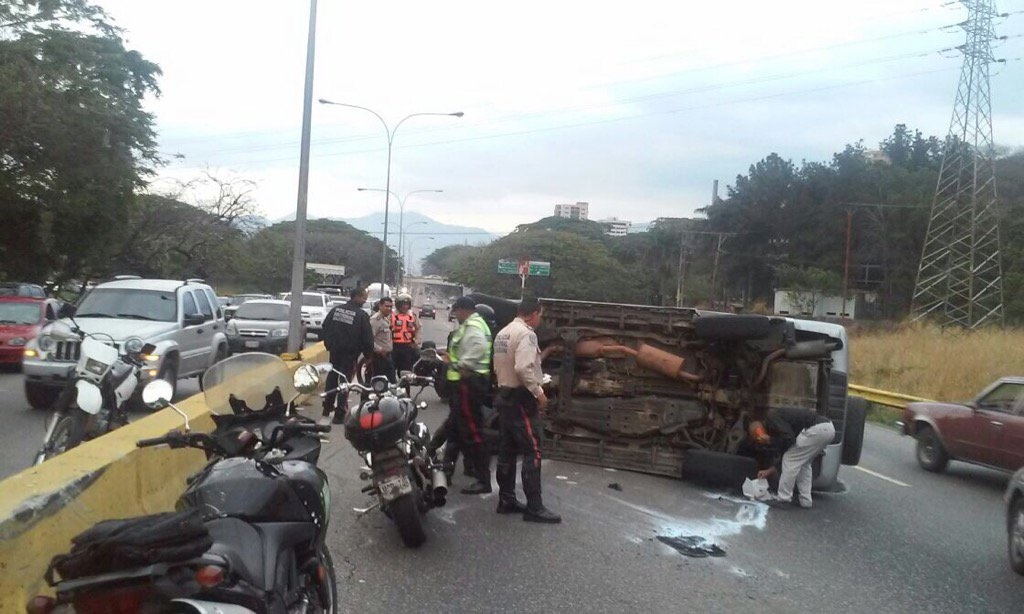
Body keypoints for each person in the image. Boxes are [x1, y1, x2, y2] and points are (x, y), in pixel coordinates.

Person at [492, 296, 561, 523]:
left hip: (504, 396)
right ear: (533, 314)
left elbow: (498, 365)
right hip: (521, 399)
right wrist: (538, 394)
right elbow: (523, 367)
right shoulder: (527, 334)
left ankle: (507, 499)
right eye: (540, 315)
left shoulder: (503, 332)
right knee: (533, 450)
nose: (540, 319)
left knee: (507, 449)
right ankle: (535, 507)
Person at [443, 296, 493, 495]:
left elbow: (478, 347)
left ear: (463, 310)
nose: (456, 315)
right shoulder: (476, 323)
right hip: (465, 384)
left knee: (473, 432)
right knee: (454, 429)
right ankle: (444, 471)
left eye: (456, 312)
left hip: (468, 383)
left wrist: (461, 365)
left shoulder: (473, 326)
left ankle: (483, 479)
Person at [749, 407, 836, 509]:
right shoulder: (779, 422)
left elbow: (789, 439)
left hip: (817, 429)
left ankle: (784, 499)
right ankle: (805, 500)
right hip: (828, 429)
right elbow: (788, 446)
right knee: (804, 464)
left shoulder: (772, 418)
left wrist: (770, 440)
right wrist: (770, 470)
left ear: (762, 428)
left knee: (790, 459)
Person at [320, 287, 373, 425]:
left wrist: (329, 344)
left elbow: (325, 327)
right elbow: (367, 338)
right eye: (363, 297)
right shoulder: (361, 315)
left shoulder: (336, 310)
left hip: (335, 352)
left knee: (332, 379)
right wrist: (368, 356)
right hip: (350, 354)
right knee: (345, 383)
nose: (365, 300)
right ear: (356, 297)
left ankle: (327, 407)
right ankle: (339, 414)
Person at [368, 296, 397, 383]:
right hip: (379, 357)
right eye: (386, 306)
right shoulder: (375, 320)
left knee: (391, 382)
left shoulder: (385, 319)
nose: (389, 308)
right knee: (379, 382)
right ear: (380, 306)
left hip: (387, 356)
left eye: (391, 307)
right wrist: (379, 350)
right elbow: (369, 339)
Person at [391, 294, 420, 377]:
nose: (405, 307)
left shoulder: (412, 316)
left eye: (407, 304)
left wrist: (416, 341)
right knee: (391, 369)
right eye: (403, 304)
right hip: (394, 346)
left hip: (407, 346)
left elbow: (418, 328)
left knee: (406, 371)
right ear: (398, 305)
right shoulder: (391, 315)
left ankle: (405, 388)